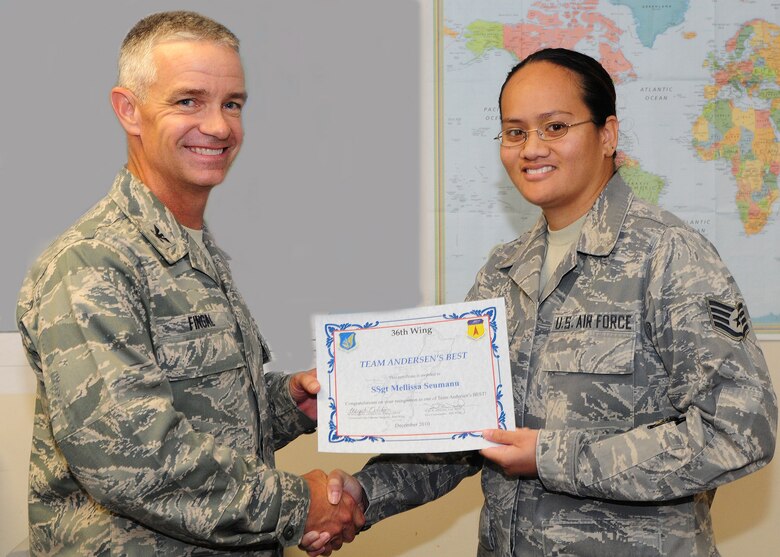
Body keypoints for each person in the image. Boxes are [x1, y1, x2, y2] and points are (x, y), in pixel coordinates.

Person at [321, 48, 777, 556]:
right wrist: (361, 494)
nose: (532, 147)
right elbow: (461, 430)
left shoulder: (668, 255)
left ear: (608, 135)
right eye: (515, 132)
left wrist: (552, 457)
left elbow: (740, 430)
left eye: (555, 127)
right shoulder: (502, 271)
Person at [16, 11, 363, 556]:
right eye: (188, 101)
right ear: (129, 110)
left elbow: (201, 414)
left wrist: (288, 404)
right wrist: (301, 503)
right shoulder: (93, 263)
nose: (220, 127)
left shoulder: (190, 251)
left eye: (232, 104)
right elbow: (133, 458)